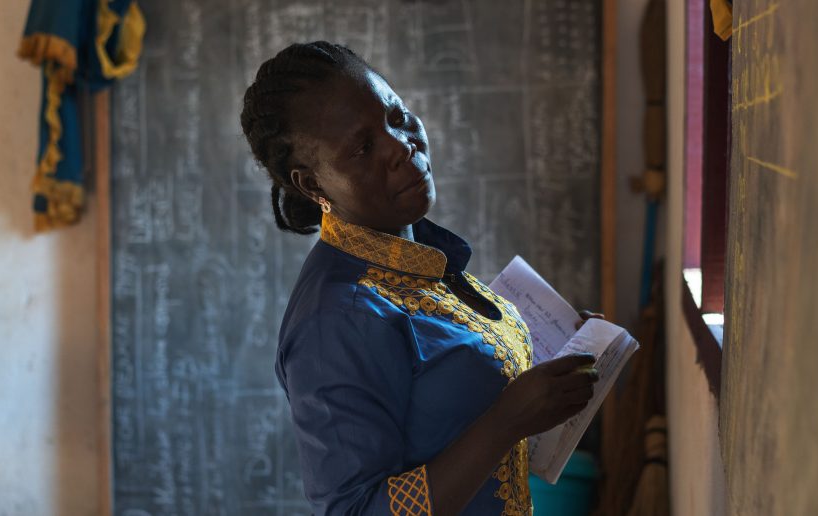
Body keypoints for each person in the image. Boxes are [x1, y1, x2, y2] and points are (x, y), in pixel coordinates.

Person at [240, 41, 602, 516]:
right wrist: (506, 421)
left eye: (397, 115)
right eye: (363, 147)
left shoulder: (419, 258)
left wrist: (559, 356)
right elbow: (357, 509)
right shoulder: (336, 320)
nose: (399, 145)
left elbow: (452, 403)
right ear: (312, 183)